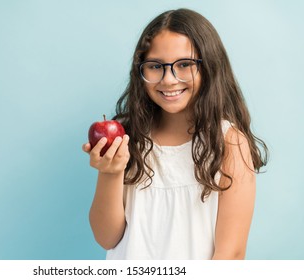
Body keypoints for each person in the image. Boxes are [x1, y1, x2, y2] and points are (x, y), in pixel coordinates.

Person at [82, 8, 268, 260]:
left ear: (209, 67)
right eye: (155, 66)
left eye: (184, 65)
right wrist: (110, 171)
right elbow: (107, 237)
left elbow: (231, 254)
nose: (169, 80)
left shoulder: (228, 143)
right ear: (141, 71)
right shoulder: (128, 136)